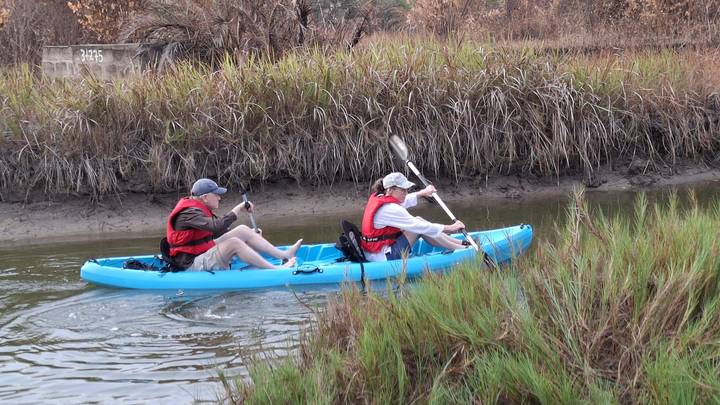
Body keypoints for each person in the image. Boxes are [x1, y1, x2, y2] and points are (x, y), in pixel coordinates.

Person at [165, 178, 302, 271]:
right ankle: (277, 270)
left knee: (242, 230)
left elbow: (217, 232)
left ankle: (284, 255)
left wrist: (251, 238)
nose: (219, 197)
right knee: (234, 243)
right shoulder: (189, 213)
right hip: (190, 264)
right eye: (216, 194)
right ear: (205, 197)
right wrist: (238, 208)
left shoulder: (197, 208)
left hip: (201, 252)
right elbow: (216, 226)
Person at [360, 172, 467, 262]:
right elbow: (418, 226)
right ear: (390, 190)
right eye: (403, 190)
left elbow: (403, 201)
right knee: (418, 227)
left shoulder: (381, 197)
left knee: (419, 221)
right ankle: (464, 250)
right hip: (384, 257)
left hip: (376, 252)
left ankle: (462, 243)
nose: (406, 193)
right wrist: (449, 228)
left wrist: (423, 193)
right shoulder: (390, 208)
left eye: (406, 190)